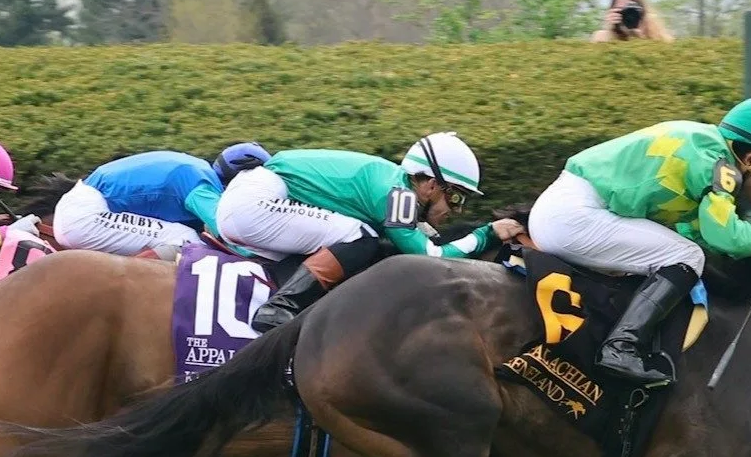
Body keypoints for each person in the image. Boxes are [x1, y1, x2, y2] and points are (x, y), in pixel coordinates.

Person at [526, 97, 751, 386]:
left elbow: (700, 233)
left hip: (565, 210)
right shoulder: (721, 165)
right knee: (687, 257)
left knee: (683, 251)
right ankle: (621, 348)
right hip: (575, 216)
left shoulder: (703, 146)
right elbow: (724, 235)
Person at [216, 133, 526, 332]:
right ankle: (278, 308)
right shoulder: (397, 195)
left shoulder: (393, 187)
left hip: (253, 201)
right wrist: (487, 234)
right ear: (431, 185)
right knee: (358, 236)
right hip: (256, 203)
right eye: (455, 197)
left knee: (362, 241)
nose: (456, 210)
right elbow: (429, 257)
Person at [52, 143, 271, 257]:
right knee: (186, 239)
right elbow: (227, 229)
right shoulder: (201, 184)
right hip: (85, 216)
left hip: (80, 208)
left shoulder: (197, 169)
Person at [590, 0, 674, 44]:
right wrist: (608, 30)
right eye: (620, 10)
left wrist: (639, 36)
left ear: (642, 13)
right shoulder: (602, 36)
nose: (628, 15)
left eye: (631, 11)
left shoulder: (658, 37)